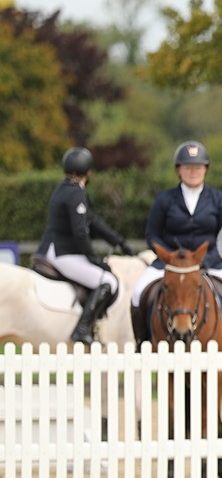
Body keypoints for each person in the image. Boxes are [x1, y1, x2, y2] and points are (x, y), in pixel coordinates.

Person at [130, 141, 222, 341]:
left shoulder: (218, 198)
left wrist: (207, 260)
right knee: (138, 293)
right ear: (178, 170)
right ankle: (142, 342)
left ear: (206, 170)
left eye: (198, 167)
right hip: (171, 264)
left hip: (209, 261)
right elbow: (152, 235)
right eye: (188, 167)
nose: (193, 172)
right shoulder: (165, 199)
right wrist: (169, 258)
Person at [35, 147, 133, 344]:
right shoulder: (76, 193)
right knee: (108, 281)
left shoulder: (62, 189)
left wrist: (118, 241)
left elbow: (92, 221)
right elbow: (80, 233)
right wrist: (94, 259)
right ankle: (82, 328)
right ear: (89, 171)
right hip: (64, 254)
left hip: (50, 249)